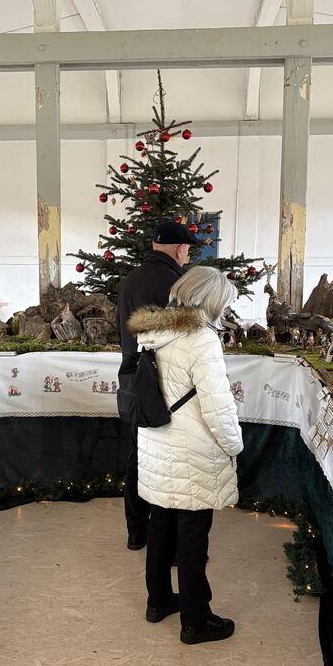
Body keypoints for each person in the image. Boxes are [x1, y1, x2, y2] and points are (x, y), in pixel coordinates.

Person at [128, 266, 244, 645]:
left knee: (161, 522)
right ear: (211, 300)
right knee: (193, 533)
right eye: (224, 302)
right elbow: (217, 406)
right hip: (192, 447)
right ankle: (196, 620)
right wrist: (234, 445)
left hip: (157, 442)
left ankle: (158, 600)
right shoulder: (201, 339)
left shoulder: (153, 331)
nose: (225, 309)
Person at [116, 221, 199, 550]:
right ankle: (171, 546)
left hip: (133, 380)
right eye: (187, 250)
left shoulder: (129, 280)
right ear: (180, 250)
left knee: (138, 458)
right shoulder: (179, 283)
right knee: (172, 465)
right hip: (169, 386)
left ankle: (136, 534)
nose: (187, 255)